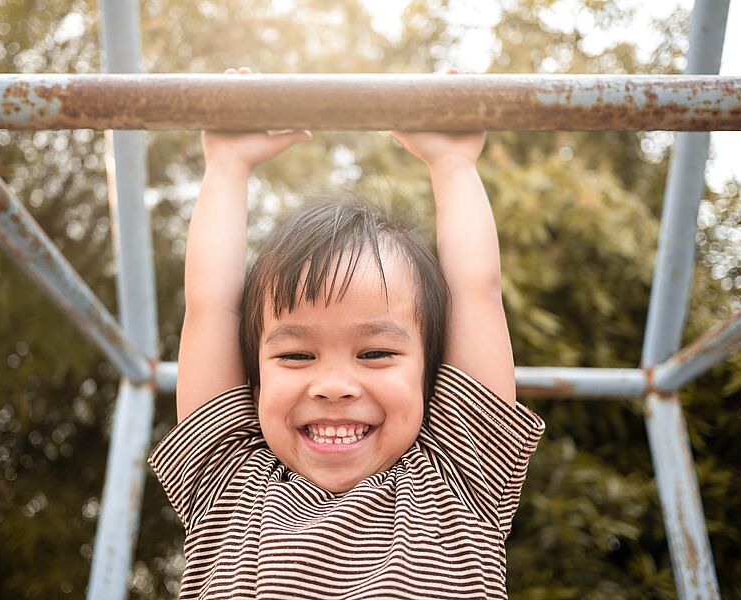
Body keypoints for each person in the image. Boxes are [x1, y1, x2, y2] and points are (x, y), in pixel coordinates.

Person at [148, 67, 545, 599]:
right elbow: (211, 306)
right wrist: (226, 165)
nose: (333, 385)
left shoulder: (461, 478)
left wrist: (453, 163)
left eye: (376, 352)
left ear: (433, 371)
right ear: (254, 377)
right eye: (295, 356)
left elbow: (476, 291)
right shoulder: (228, 483)